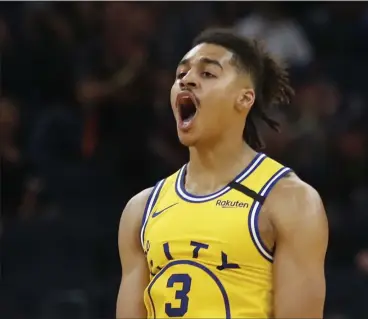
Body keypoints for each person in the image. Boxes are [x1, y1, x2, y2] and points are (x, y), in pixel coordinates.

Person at [116, 28, 328, 319]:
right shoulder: (141, 209)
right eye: (181, 75)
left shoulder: (288, 200)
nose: (186, 80)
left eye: (208, 74)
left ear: (244, 99)